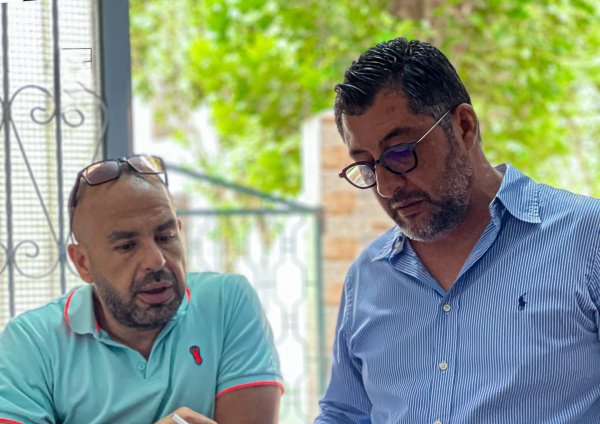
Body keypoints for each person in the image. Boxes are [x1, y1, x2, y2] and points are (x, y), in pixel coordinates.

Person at [315, 37, 600, 423]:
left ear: (464, 126)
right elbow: (345, 414)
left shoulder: (587, 239)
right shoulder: (368, 276)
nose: (385, 186)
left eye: (400, 153)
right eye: (366, 166)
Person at [0, 155, 283, 424]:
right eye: (127, 246)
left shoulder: (226, 303)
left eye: (166, 236)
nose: (156, 260)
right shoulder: (31, 341)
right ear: (83, 262)